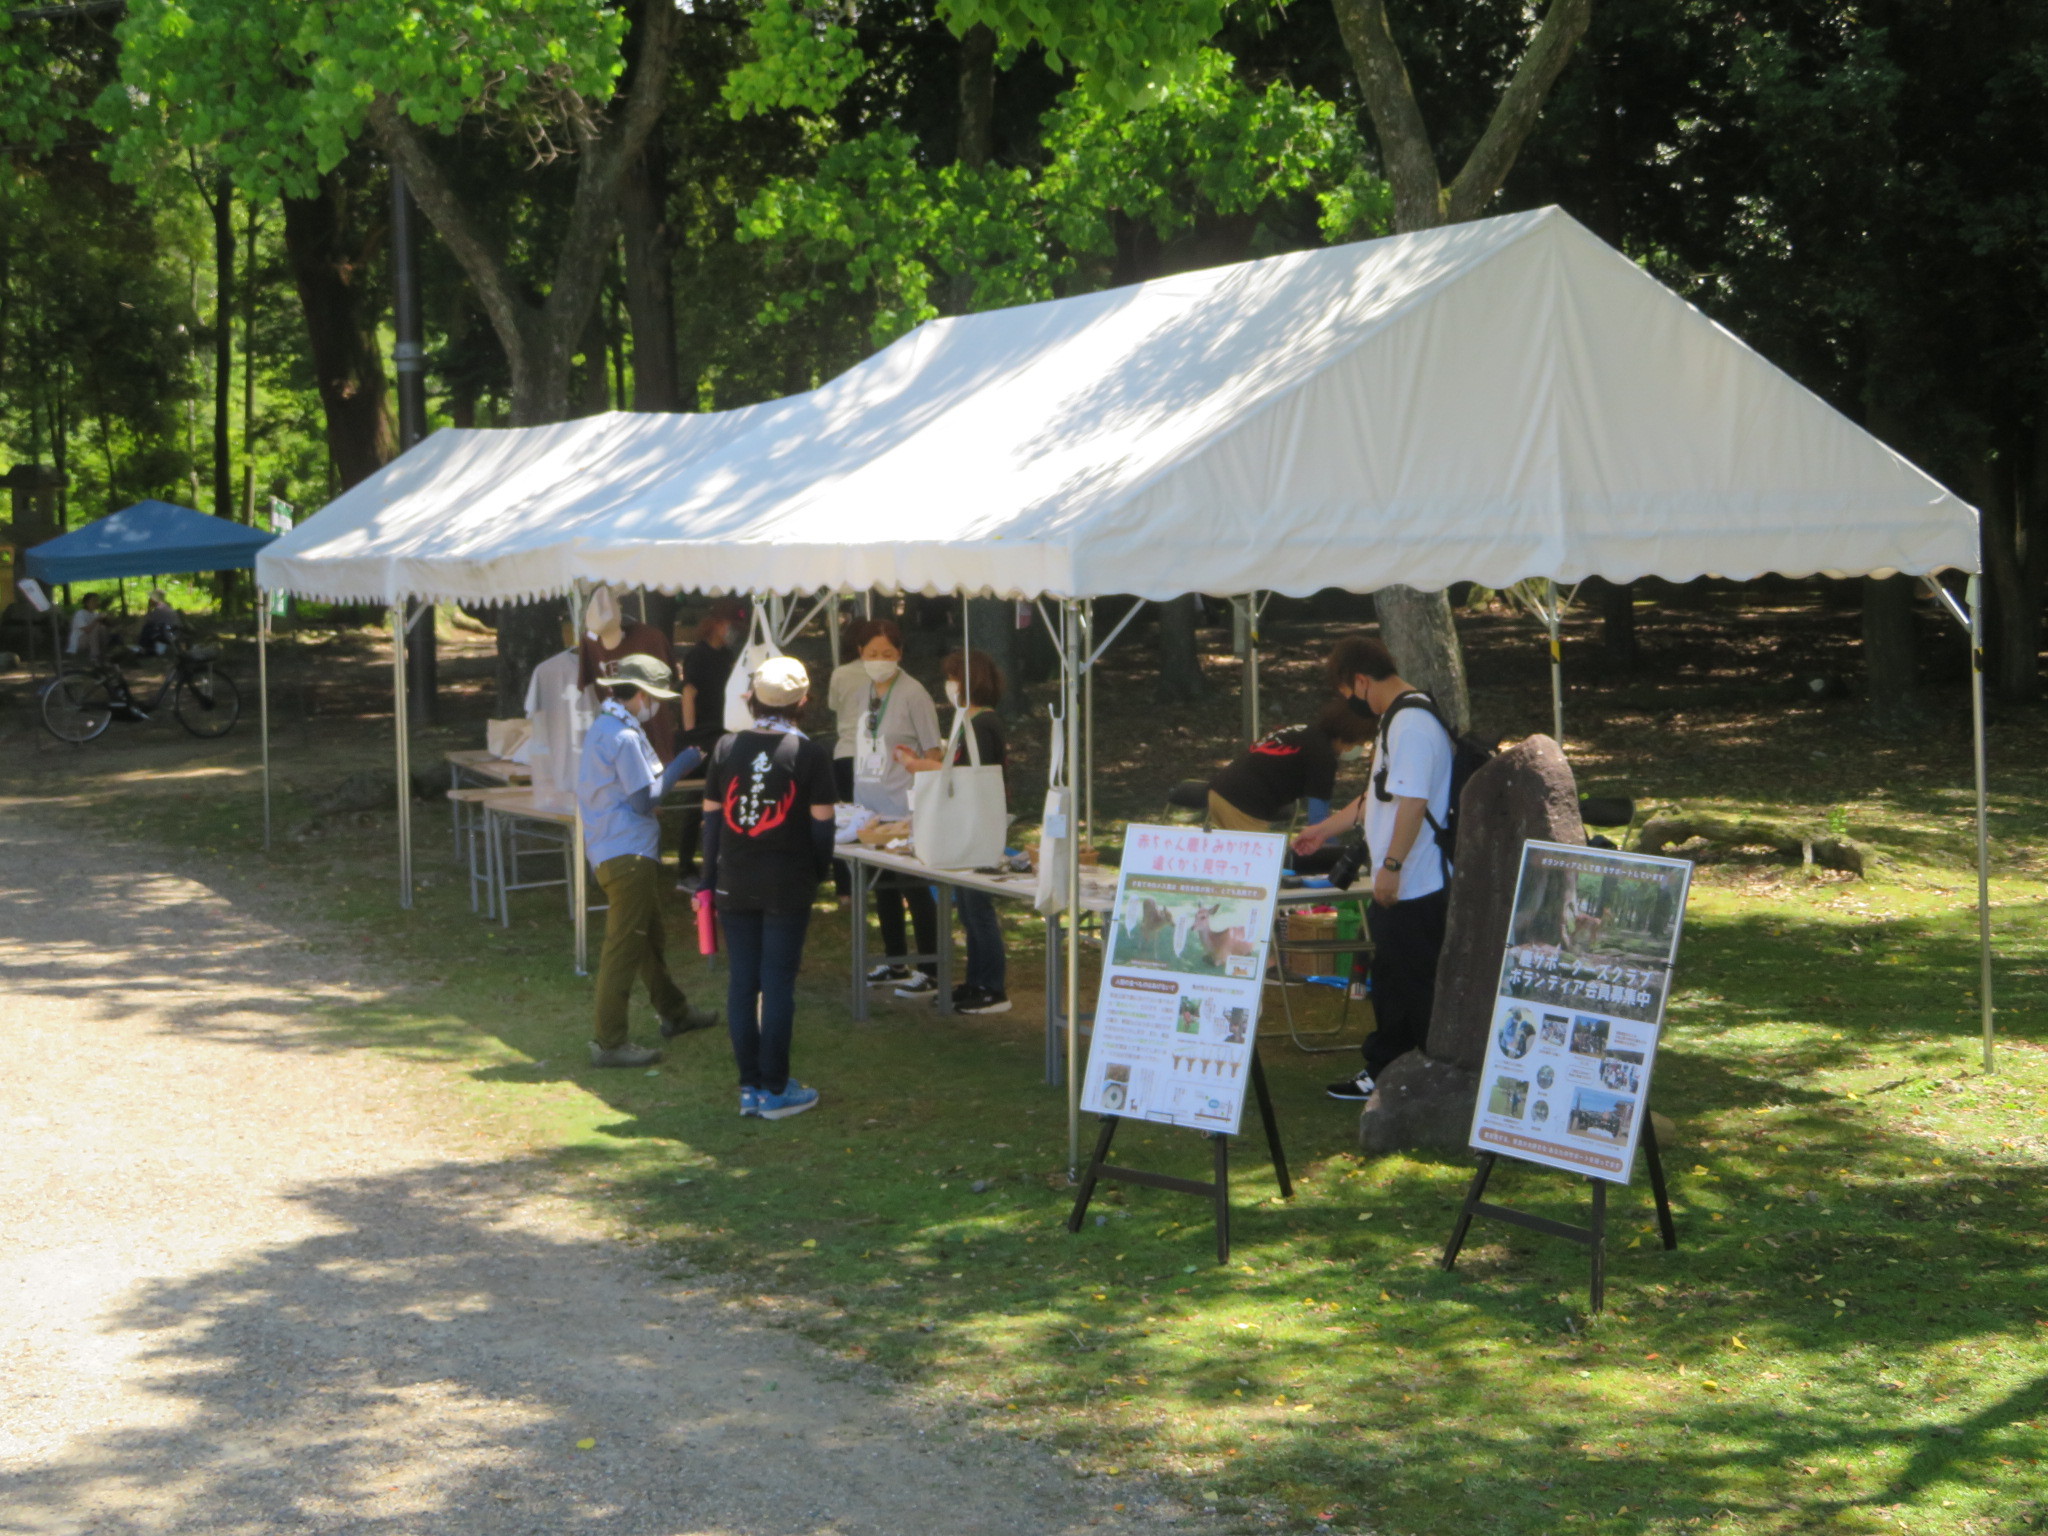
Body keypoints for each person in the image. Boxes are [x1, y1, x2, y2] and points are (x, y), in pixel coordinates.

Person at [1293, 636, 1453, 1105]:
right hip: (1405, 879)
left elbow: (1414, 801)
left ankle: (1409, 1075)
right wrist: (1324, 829)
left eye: (1347, 693)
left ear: (1361, 681)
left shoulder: (1413, 724)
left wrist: (1391, 866)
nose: (1350, 704)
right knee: (1394, 979)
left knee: (1411, 983)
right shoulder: (1396, 721)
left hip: (1417, 881)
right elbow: (1378, 797)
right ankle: (1395, 1070)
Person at [702, 655, 838, 1119]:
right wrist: (819, 872)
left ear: (751, 698)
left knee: (743, 983)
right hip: (787, 883)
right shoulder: (810, 754)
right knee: (777, 984)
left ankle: (750, 1088)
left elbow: (711, 819)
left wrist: (706, 880)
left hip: (734, 881)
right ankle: (776, 1088)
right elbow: (823, 829)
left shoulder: (725, 748)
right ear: (804, 701)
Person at [576, 653, 720, 1068]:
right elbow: (646, 799)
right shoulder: (621, 735)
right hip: (627, 854)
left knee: (647, 941)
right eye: (656, 697)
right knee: (624, 948)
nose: (659, 705)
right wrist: (684, 763)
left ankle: (675, 1013)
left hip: (614, 850)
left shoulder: (607, 726)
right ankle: (609, 1042)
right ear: (640, 694)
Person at [896, 649, 1010, 1014]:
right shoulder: (970, 721)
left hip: (976, 824)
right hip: (968, 823)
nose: (948, 685)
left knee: (978, 908)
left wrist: (918, 765)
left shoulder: (983, 723)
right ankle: (976, 981)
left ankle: (992, 986)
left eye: (953, 678)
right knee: (969, 908)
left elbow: (966, 776)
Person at [847, 619, 944, 998]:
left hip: (904, 807)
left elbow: (932, 750)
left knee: (916, 889)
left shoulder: (913, 693)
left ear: (900, 654)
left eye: (887, 654)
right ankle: (895, 959)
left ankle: (931, 968)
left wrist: (921, 797)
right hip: (871, 808)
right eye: (872, 654)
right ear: (860, 655)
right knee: (883, 887)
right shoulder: (864, 690)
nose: (879, 660)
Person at [1206, 699, 1371, 833]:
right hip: (1245, 803)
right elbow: (1318, 819)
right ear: (1350, 735)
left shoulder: (1304, 732)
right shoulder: (1323, 756)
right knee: (1254, 866)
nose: (1360, 747)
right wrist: (1331, 855)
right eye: (1361, 741)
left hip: (1221, 790)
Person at [674, 599, 747, 885]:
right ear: (717, 623)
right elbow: (688, 694)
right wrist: (691, 734)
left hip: (723, 732)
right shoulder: (697, 656)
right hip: (702, 735)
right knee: (695, 802)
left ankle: (717, 861)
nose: (734, 631)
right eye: (732, 625)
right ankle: (685, 867)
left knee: (721, 798)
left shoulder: (728, 655)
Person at [577, 586, 679, 764]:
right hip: (617, 738)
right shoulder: (589, 643)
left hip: (651, 736)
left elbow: (671, 683)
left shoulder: (651, 639)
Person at [67, 593, 111, 662]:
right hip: (79, 640)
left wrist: (106, 618)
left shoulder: (96, 613)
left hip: (91, 639)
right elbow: (87, 630)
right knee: (95, 629)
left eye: (97, 601)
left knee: (103, 628)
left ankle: (104, 653)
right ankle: (94, 656)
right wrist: (97, 620)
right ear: (87, 603)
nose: (96, 603)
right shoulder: (80, 614)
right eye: (93, 601)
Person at [136, 590, 179, 656]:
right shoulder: (167, 606)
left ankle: (143, 648)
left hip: (167, 634)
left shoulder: (159, 610)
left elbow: (148, 620)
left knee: (147, 628)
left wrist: (149, 608)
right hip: (173, 631)